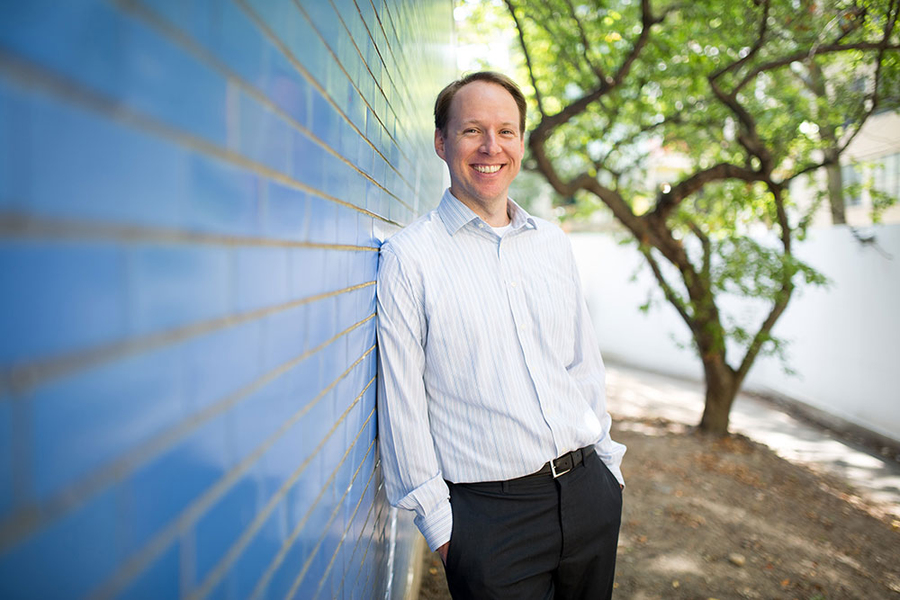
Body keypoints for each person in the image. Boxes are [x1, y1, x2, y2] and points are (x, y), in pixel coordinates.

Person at [376, 71, 625, 599]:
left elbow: (582, 363)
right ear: (442, 143)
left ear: (520, 143)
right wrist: (445, 534)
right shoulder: (410, 258)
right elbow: (403, 407)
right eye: (472, 131)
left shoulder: (552, 244)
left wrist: (608, 466)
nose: (492, 147)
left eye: (506, 131)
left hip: (588, 493)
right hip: (491, 522)